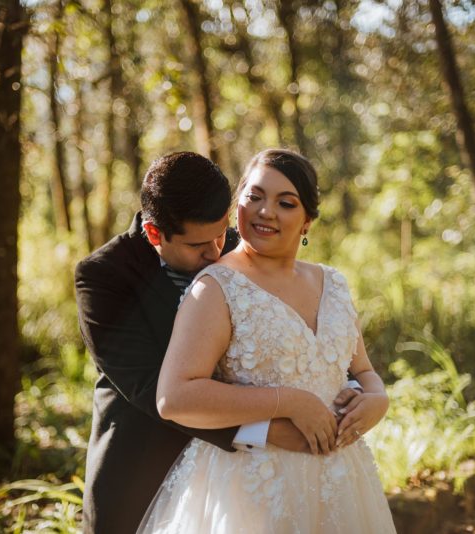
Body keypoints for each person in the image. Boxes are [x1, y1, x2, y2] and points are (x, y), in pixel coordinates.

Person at [75, 152, 362, 534]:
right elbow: (149, 390)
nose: (216, 253)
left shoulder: (237, 245)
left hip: (248, 485)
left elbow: (296, 335)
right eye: (199, 246)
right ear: (154, 233)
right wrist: (268, 429)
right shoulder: (103, 275)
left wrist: (357, 393)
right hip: (142, 467)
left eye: (220, 234)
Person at [138, 149, 396, 533]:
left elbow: (361, 369)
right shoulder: (216, 287)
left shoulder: (332, 284)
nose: (265, 211)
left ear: (307, 221)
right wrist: (289, 402)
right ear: (236, 206)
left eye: (285, 202)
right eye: (254, 197)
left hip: (342, 482)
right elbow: (174, 397)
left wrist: (378, 400)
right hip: (252, 488)